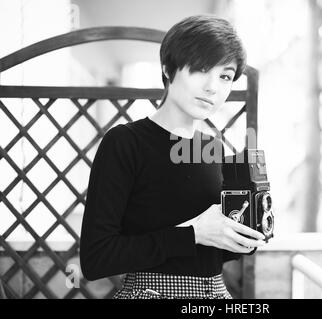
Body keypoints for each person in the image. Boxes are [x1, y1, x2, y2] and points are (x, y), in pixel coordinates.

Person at [79, 14, 266, 299]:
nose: (212, 87)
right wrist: (192, 234)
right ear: (168, 69)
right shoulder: (125, 142)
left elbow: (207, 257)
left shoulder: (211, 149)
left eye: (225, 76)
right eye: (202, 69)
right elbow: (96, 258)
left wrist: (242, 235)